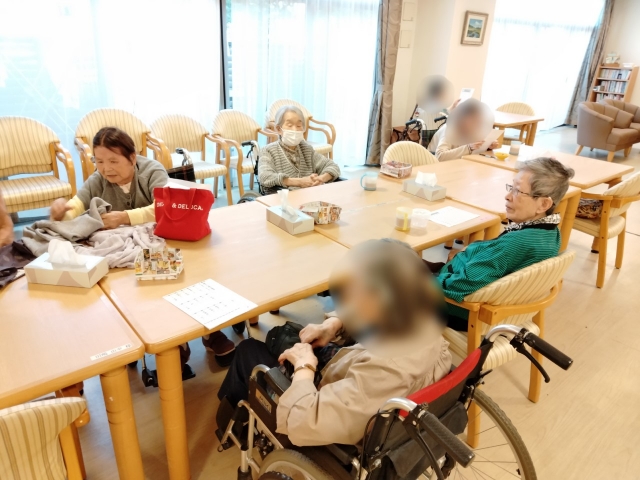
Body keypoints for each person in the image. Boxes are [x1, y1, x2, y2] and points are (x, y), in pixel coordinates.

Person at [217, 239, 451, 447]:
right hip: (349, 381)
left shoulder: (383, 371)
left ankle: (229, 426)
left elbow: (305, 421)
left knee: (248, 351)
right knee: (283, 335)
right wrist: (334, 324)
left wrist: (304, 367)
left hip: (316, 411)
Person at [49, 127, 236, 362]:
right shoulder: (98, 180)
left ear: (132, 157)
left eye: (113, 161)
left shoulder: (151, 171)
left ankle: (210, 331)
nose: (106, 168)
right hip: (128, 251)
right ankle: (173, 339)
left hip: (164, 240)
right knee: (136, 292)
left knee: (186, 277)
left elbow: (163, 208)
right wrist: (62, 211)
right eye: (99, 161)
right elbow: (77, 204)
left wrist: (123, 217)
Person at [431, 157, 575, 330]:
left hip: (457, 309)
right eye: (511, 188)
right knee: (410, 259)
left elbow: (458, 285)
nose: (507, 196)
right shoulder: (551, 233)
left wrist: (426, 281)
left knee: (402, 266)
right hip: (483, 294)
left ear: (543, 204)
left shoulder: (516, 244)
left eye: (517, 191)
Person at [258, 106, 341, 195]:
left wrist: (321, 179)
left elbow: (332, 166)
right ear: (279, 129)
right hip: (283, 199)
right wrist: (300, 182)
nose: (295, 129)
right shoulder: (268, 150)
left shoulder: (306, 149)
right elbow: (265, 177)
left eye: (299, 125)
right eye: (290, 125)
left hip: (309, 197)